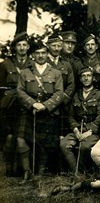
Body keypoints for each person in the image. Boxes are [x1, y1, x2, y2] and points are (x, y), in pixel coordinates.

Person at [16, 40, 64, 183]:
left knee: (45, 143)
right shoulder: (25, 72)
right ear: (32, 55)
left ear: (47, 54)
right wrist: (33, 104)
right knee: (20, 140)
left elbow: (59, 93)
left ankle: (40, 173)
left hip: (48, 112)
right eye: (38, 53)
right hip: (29, 112)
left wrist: (46, 105)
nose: (41, 56)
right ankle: (27, 172)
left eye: (43, 53)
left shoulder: (55, 73)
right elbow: (20, 91)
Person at [60, 67, 100, 174]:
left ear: (93, 78)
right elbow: (71, 116)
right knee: (63, 144)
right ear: (80, 79)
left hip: (93, 131)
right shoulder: (76, 94)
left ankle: (84, 172)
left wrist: (89, 132)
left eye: (89, 75)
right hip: (78, 129)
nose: (86, 78)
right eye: (83, 76)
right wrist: (75, 130)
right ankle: (76, 173)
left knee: (84, 146)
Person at [0, 32, 32, 176]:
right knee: (9, 135)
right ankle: (8, 168)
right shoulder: (6, 64)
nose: (22, 48)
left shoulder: (32, 64)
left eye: (24, 45)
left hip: (26, 105)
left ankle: (22, 168)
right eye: (19, 45)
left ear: (28, 47)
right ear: (14, 48)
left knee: (23, 136)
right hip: (9, 105)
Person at [46, 33, 76, 137]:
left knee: (61, 135)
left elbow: (71, 84)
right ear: (47, 45)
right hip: (46, 104)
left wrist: (63, 99)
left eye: (59, 46)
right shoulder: (43, 62)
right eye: (53, 45)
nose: (56, 48)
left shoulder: (66, 64)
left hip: (62, 105)